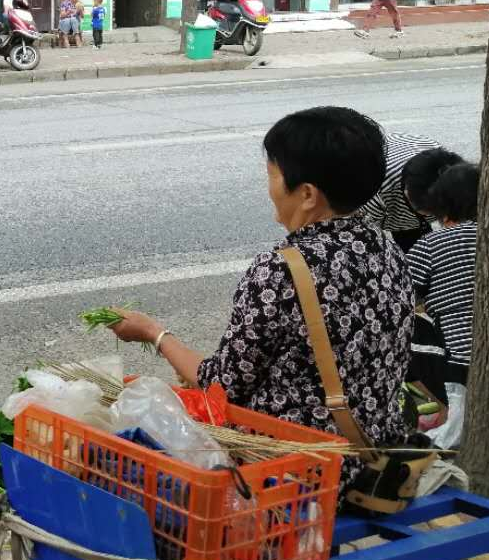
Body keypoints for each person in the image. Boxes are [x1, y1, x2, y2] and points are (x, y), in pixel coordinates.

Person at [101, 107, 415, 496]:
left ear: (307, 195)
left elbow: (221, 383)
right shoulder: (388, 246)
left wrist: (154, 333)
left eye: (273, 176)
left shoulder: (281, 270)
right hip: (375, 452)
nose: (269, 187)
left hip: (303, 471)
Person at [408, 163, 479, 449]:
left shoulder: (431, 244)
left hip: (456, 361)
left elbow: (400, 296)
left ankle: (443, 411)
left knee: (404, 324)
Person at [363, 137, 463, 251]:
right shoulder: (377, 191)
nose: (445, 220)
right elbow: (366, 235)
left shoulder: (456, 173)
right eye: (430, 211)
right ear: (407, 193)